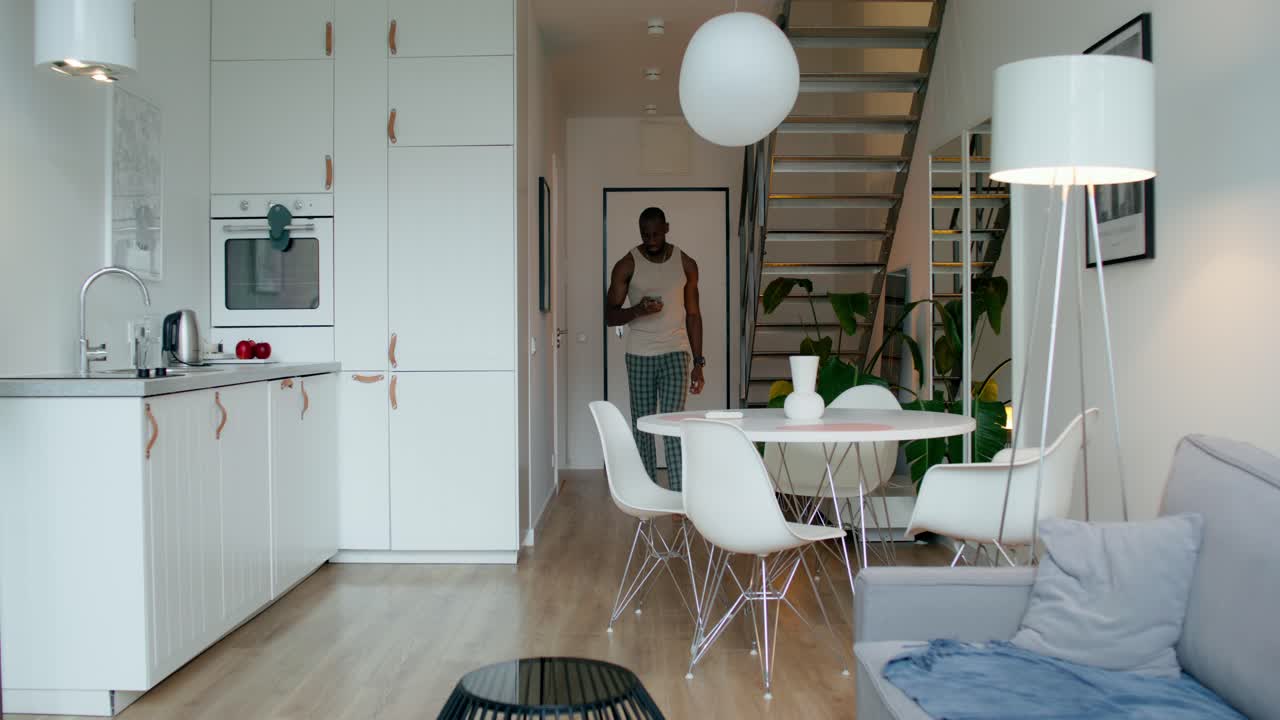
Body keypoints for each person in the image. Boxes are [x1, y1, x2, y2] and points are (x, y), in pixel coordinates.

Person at [605, 206, 704, 491]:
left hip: (676, 352)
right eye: (645, 235)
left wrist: (698, 362)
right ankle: (648, 492)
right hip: (639, 355)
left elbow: (693, 315)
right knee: (644, 425)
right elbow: (610, 316)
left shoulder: (686, 264)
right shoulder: (627, 265)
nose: (650, 240)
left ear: (666, 229)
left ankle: (677, 496)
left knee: (673, 424)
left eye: (656, 234)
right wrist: (637, 310)